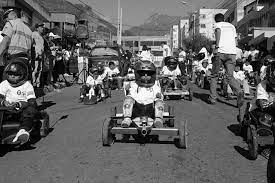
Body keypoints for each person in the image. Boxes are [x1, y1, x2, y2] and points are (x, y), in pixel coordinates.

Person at [208, 13, 244, 106]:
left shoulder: (217, 25)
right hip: (232, 53)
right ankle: (239, 91)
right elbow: (236, 41)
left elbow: (218, 32)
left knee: (214, 76)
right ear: (224, 19)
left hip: (220, 52)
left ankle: (212, 98)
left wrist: (217, 46)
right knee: (230, 76)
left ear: (216, 20)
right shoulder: (232, 26)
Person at [0, 58, 37, 144]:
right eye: (10, 74)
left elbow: (32, 101)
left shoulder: (27, 85)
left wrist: (19, 104)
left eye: (15, 74)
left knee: (30, 110)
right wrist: (3, 102)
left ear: (22, 75)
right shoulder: (4, 84)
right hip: (6, 111)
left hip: (21, 110)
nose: (12, 76)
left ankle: (22, 131)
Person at [121, 60, 164, 128]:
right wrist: (127, 88)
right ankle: (127, 119)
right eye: (142, 73)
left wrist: (158, 96)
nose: (146, 76)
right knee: (128, 99)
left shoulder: (156, 85)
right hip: (137, 108)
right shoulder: (133, 84)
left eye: (148, 74)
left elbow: (159, 95)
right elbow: (130, 94)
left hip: (150, 108)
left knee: (159, 102)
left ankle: (158, 119)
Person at [31, 23, 44, 88]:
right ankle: (33, 84)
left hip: (40, 56)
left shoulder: (41, 37)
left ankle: (38, 84)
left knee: (39, 70)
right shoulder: (33, 34)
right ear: (37, 28)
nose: (42, 28)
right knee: (34, 70)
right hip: (35, 56)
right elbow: (32, 44)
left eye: (42, 27)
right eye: (41, 27)